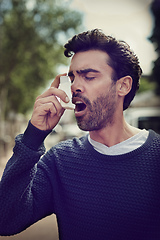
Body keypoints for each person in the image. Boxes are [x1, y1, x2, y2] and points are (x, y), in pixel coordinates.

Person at [0, 29, 160, 240]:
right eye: (72, 77)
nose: (75, 86)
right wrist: (33, 136)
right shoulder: (60, 160)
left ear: (123, 85)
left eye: (89, 76)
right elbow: (6, 219)